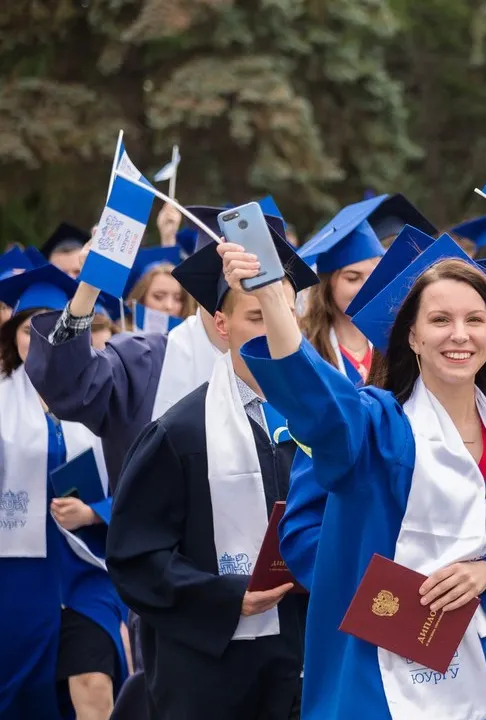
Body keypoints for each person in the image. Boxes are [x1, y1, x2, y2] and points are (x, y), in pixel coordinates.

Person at [233, 225, 486, 719]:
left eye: (475, 319)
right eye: (440, 319)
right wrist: (276, 305)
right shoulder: (377, 426)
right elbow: (322, 411)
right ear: (412, 336)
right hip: (381, 666)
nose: (459, 334)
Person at [106, 229, 317, 719]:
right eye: (256, 317)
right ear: (221, 325)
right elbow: (135, 557)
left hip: (308, 659)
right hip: (211, 672)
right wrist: (224, 596)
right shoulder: (179, 433)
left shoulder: (325, 422)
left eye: (285, 315)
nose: (275, 331)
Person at [24, 208, 232, 490]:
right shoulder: (143, 360)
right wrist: (90, 285)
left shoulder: (279, 372)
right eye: (256, 314)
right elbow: (67, 383)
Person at [0, 264, 127, 720]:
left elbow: (134, 480)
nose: (39, 336)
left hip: (85, 568)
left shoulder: (104, 395)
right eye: (29, 326)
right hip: (17, 576)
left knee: (94, 684)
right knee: (21, 696)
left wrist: (96, 513)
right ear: (13, 332)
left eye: (53, 324)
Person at [297, 194, 435, 384]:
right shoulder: (305, 348)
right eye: (353, 278)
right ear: (327, 285)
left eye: (373, 277)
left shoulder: (398, 342)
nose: (366, 288)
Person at [123, 246, 193, 331]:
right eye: (158, 297)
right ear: (141, 299)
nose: (168, 306)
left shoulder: (194, 340)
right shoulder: (120, 340)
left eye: (178, 299)